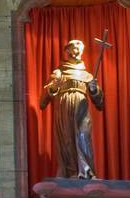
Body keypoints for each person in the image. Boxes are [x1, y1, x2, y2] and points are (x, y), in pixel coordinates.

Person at [40, 38, 104, 178]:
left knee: (83, 136)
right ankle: (70, 173)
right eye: (75, 48)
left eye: (80, 48)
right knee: (67, 139)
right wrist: (54, 87)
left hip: (81, 106)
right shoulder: (59, 72)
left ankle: (86, 172)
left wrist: (94, 90)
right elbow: (43, 101)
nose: (78, 51)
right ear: (67, 51)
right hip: (64, 107)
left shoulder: (87, 75)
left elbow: (100, 104)